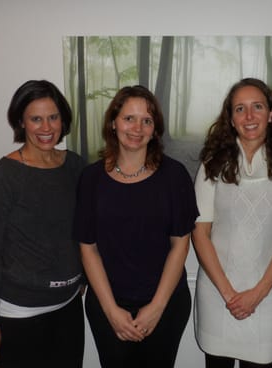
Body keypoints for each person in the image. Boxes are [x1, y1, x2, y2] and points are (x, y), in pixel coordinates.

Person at [74, 85, 199, 368]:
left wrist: (156, 308)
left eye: (147, 120)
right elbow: (88, 248)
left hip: (165, 305)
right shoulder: (91, 179)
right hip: (108, 306)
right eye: (129, 118)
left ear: (155, 130)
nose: (137, 127)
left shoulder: (174, 176)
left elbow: (181, 244)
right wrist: (111, 311)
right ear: (113, 123)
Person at [192, 78, 272, 368]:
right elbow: (200, 232)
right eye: (240, 109)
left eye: (257, 106)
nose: (249, 116)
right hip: (217, 294)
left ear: (271, 113)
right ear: (230, 119)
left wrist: (256, 295)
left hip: (266, 297)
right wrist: (229, 294)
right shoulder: (212, 163)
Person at [0, 79, 86, 367]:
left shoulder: (75, 166)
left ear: (63, 119)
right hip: (20, 316)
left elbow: (82, 231)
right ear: (21, 122)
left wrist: (82, 278)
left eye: (53, 117)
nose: (46, 128)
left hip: (69, 308)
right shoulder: (0, 180)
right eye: (36, 119)